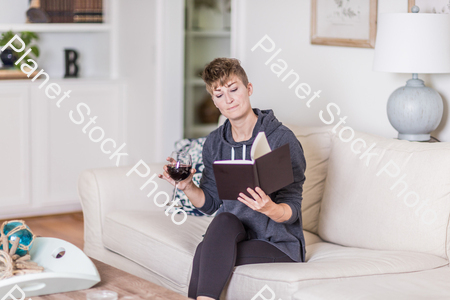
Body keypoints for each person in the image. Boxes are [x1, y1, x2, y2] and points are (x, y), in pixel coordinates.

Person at [158, 58, 307, 300]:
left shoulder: (281, 139)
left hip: (278, 243)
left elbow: (292, 209)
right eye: (219, 94)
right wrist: (187, 187)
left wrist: (269, 208)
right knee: (223, 221)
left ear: (248, 89)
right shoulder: (215, 142)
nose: (228, 100)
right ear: (213, 101)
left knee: (205, 253)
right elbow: (211, 204)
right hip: (234, 233)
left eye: (233, 90)